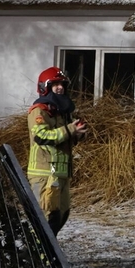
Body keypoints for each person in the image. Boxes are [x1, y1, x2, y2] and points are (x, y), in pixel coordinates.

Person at [27, 66, 87, 235]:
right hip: (44, 174)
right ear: (45, 87)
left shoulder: (62, 113)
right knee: (47, 217)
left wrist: (78, 133)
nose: (60, 87)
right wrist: (69, 130)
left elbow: (65, 138)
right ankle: (37, 255)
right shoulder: (39, 111)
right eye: (55, 84)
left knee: (62, 214)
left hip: (60, 172)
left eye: (62, 84)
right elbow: (42, 136)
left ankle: (48, 254)